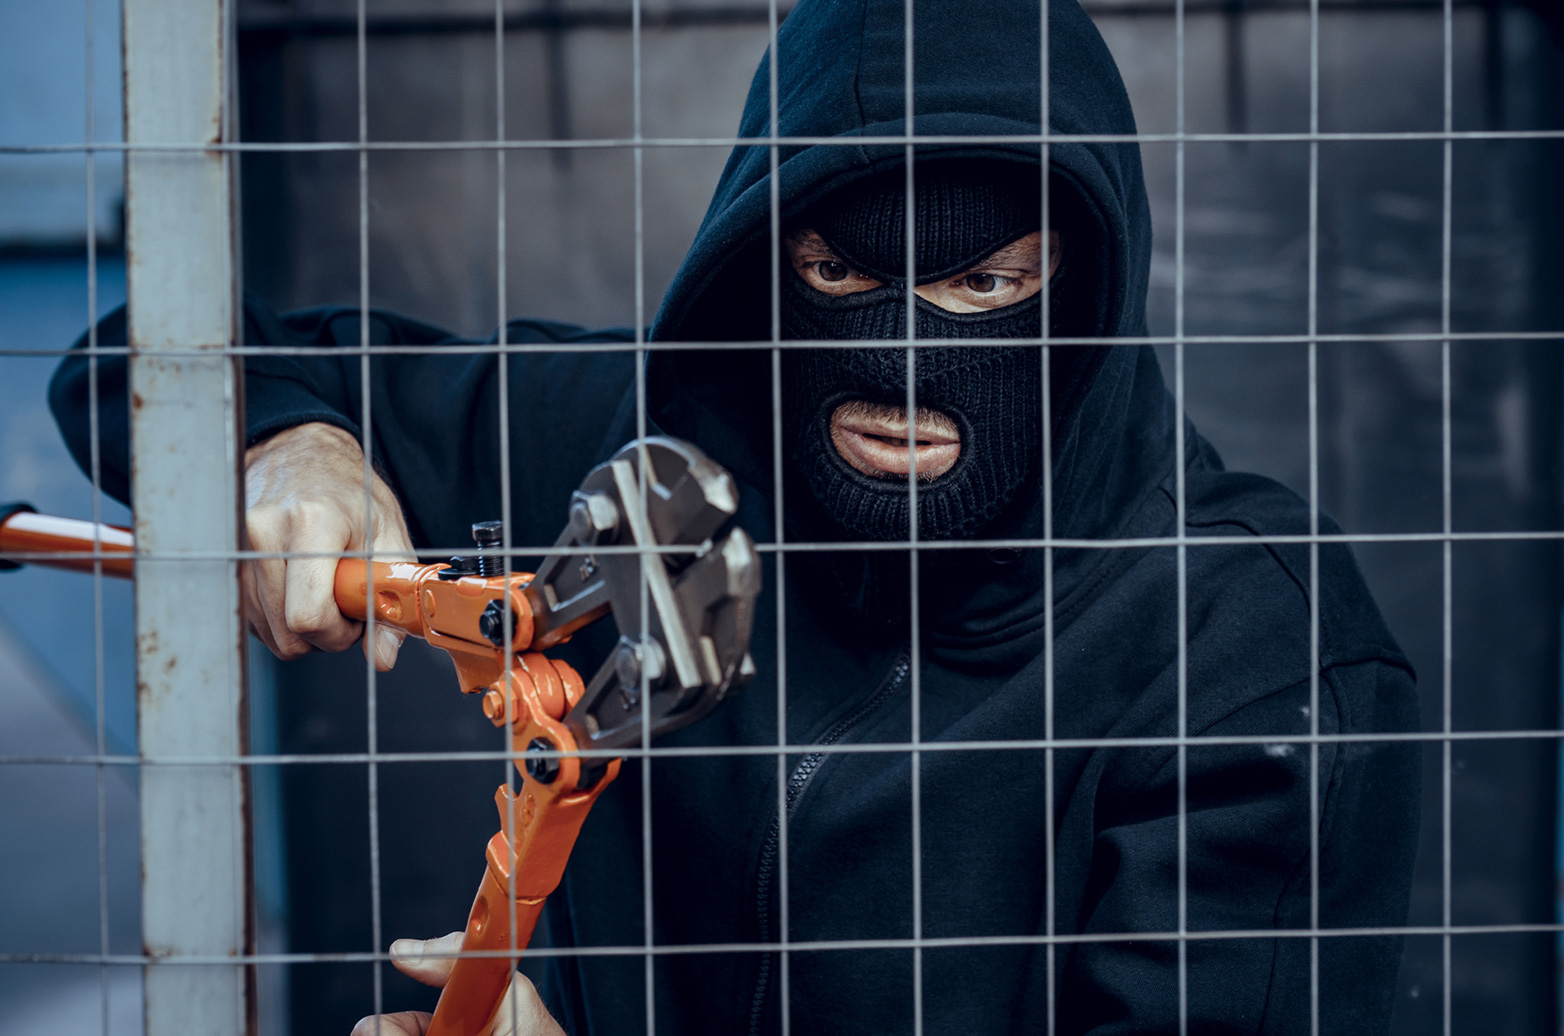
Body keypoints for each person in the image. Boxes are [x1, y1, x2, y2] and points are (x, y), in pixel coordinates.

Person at [51, 0, 1421, 1032]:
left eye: (988, 286)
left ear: (1092, 280)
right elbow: (133, 356)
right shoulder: (655, 445)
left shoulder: (1255, 652)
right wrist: (289, 442)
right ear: (764, 262)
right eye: (836, 273)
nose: (900, 368)